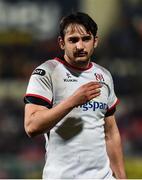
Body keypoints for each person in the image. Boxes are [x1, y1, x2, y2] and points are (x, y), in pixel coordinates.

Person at [24, 12, 126, 179]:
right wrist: (73, 101)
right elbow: (31, 126)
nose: (80, 46)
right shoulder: (46, 73)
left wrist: (122, 177)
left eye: (86, 39)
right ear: (61, 43)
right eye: (73, 40)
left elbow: (111, 132)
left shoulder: (104, 76)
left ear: (96, 41)